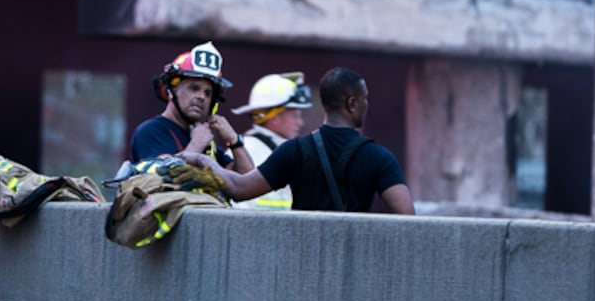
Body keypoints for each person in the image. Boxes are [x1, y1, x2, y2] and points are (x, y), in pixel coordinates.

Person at [190, 67, 415, 214]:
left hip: (300, 268)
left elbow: (238, 188)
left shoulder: (293, 151)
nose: (367, 105)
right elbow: (408, 220)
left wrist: (202, 159)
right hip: (354, 270)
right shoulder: (379, 157)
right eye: (365, 99)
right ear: (352, 104)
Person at [128, 41, 256, 175]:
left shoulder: (205, 142)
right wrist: (197, 144)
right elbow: (165, 179)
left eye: (208, 93)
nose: (202, 97)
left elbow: (246, 179)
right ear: (172, 91)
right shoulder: (150, 132)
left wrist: (234, 141)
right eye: (194, 88)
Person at [229, 72, 313, 210]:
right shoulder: (245, 150)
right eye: (294, 115)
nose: (300, 122)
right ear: (274, 117)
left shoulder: (283, 147)